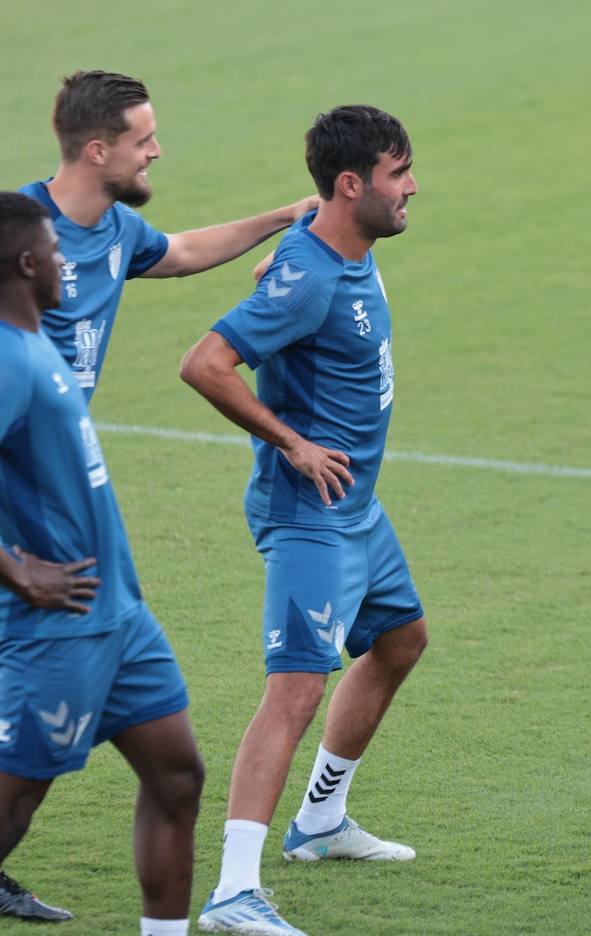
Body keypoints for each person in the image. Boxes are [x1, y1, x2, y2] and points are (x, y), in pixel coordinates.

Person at [179, 106, 424, 936]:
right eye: (398, 174)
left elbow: (306, 226)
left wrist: (295, 218)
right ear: (352, 185)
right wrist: (290, 442)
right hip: (311, 514)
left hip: (359, 508)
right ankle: (232, 893)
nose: (412, 187)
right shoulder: (313, 276)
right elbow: (204, 363)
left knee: (401, 640)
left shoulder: (343, 245)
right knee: (293, 690)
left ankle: (320, 822)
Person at [0, 191, 204, 934]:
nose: (67, 263)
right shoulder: (5, 357)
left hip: (119, 615)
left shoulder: (37, 344)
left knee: (178, 778)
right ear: (27, 264)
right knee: (12, 808)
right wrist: (15, 569)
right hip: (57, 628)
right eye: (56, 253)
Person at [19, 70, 316, 399]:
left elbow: (183, 253)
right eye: (142, 141)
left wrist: (287, 215)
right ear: (97, 152)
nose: (156, 151)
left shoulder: (120, 226)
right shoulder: (17, 234)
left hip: (60, 432)